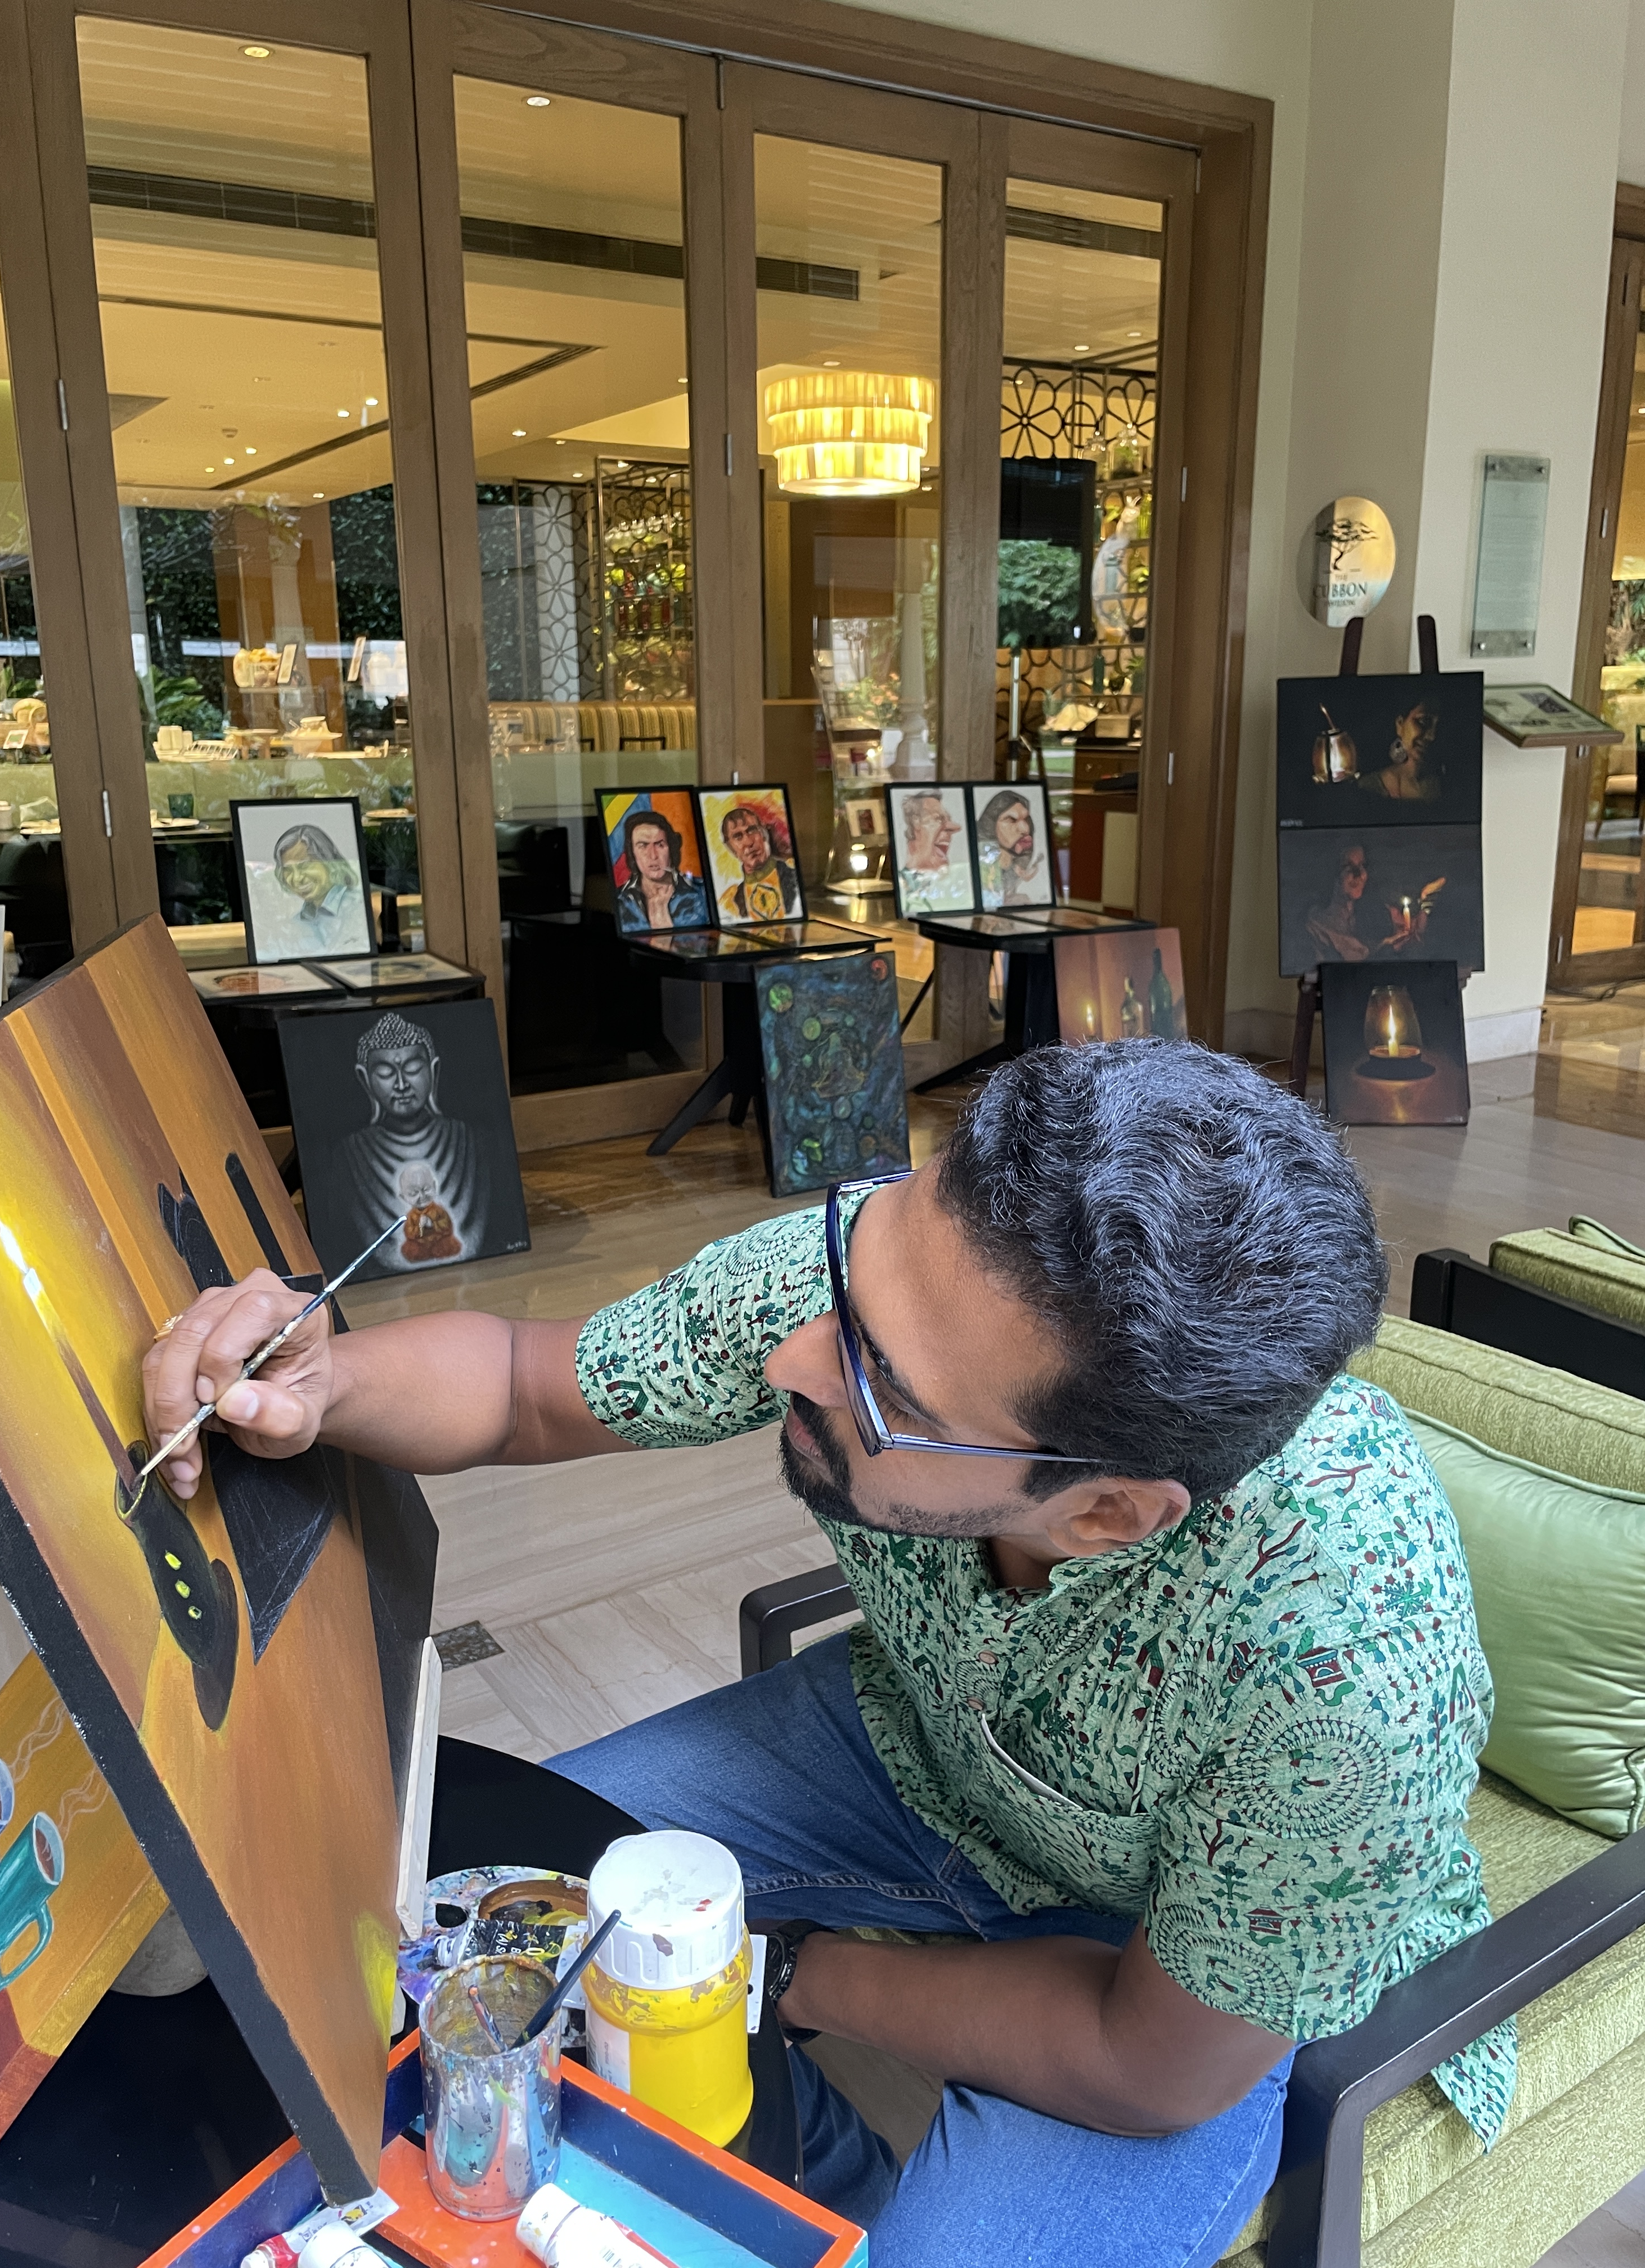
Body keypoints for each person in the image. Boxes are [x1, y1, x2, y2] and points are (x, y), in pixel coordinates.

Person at [142, 1043, 1512, 2268]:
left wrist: (782, 1974)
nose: (793, 1356)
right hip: (906, 1747)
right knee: (458, 1915)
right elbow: (524, 1385)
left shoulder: (1344, 1678)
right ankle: (831, 2176)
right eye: (846, 1277)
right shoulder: (901, 1284)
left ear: (1101, 1514)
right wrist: (323, 1383)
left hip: (1179, 1956)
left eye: (880, 1389)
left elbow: (1150, 2065)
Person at [338, 1010, 486, 1270]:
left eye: (413, 1069)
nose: (402, 1084)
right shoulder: (352, 1152)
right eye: (386, 1073)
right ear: (365, 1079)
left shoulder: (464, 1137)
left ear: (433, 1070)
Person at [1303, 842, 1431, 966]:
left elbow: (1411, 939)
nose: (1359, 874)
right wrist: (1383, 951)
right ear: (1331, 873)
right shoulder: (1317, 928)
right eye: (1348, 867)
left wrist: (1417, 932)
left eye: (1362, 865)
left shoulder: (1379, 912)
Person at [260, 820, 367, 955]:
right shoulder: (297, 922)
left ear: (329, 862)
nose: (297, 878)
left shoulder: (360, 908)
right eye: (288, 870)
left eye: (305, 865)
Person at [614, 808, 707, 932]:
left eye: (660, 845)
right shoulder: (620, 899)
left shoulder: (702, 892)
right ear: (632, 853)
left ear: (671, 849)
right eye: (643, 846)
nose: (653, 856)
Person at [717, 800, 802, 921]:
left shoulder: (794, 876)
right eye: (738, 836)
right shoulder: (733, 902)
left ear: (763, 834)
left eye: (752, 830)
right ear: (730, 848)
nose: (749, 842)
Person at [1359, 696, 1442, 803]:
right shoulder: (1368, 788)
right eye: (1423, 721)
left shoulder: (1452, 789)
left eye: (1441, 726)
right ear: (1400, 724)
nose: (1432, 736)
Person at [896, 791, 968, 914]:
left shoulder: (960, 883)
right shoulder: (899, 885)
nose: (954, 828)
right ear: (916, 822)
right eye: (939, 819)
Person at [975, 789, 1046, 908]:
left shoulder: (1016, 861)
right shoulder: (982, 857)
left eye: (1026, 819)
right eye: (1011, 820)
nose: (1025, 829)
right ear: (991, 822)